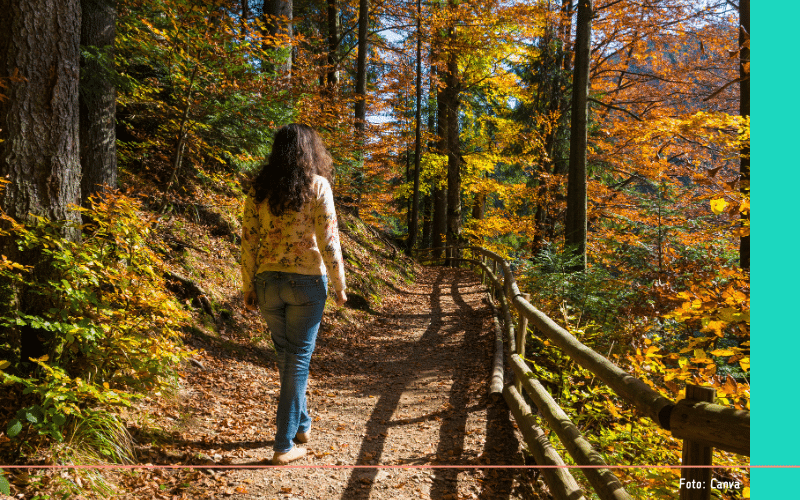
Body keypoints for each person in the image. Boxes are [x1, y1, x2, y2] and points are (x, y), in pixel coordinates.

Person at [241, 123, 347, 465]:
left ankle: (301, 425)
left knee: (289, 358)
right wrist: (340, 284)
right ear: (310, 151)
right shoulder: (318, 186)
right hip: (305, 284)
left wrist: (247, 285)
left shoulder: (259, 189)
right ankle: (284, 445)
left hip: (268, 283)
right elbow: (329, 239)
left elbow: (248, 239)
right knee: (297, 359)